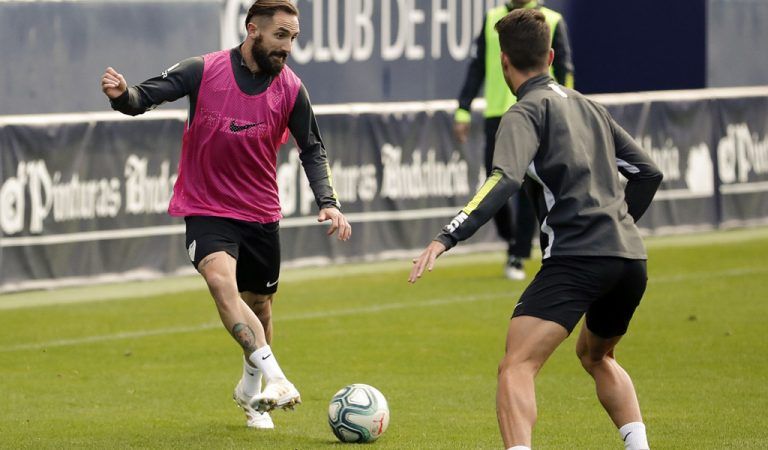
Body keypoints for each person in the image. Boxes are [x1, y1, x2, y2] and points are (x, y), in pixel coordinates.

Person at [410, 9, 662, 450]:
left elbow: (504, 178)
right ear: (550, 55)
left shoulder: (524, 112)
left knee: (517, 366)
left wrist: (447, 235)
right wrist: (617, 224)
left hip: (577, 259)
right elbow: (648, 172)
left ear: (504, 62)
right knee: (596, 355)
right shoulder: (589, 106)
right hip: (630, 260)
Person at [100, 0, 351, 430]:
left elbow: (312, 147)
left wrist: (328, 201)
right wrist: (123, 95)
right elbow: (144, 97)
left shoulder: (291, 89)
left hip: (260, 214)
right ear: (252, 29)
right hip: (206, 208)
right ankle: (276, 378)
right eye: (280, 36)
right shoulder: (204, 70)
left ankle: (250, 391)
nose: (287, 47)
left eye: (293, 38)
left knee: (261, 307)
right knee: (221, 283)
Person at [453, 0, 574, 280]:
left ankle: (518, 255)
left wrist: (568, 109)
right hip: (497, 114)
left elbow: (565, 69)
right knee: (495, 182)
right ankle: (510, 240)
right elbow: (477, 66)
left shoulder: (551, 20)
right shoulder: (492, 19)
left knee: (529, 187)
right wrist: (463, 108)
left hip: (539, 113)